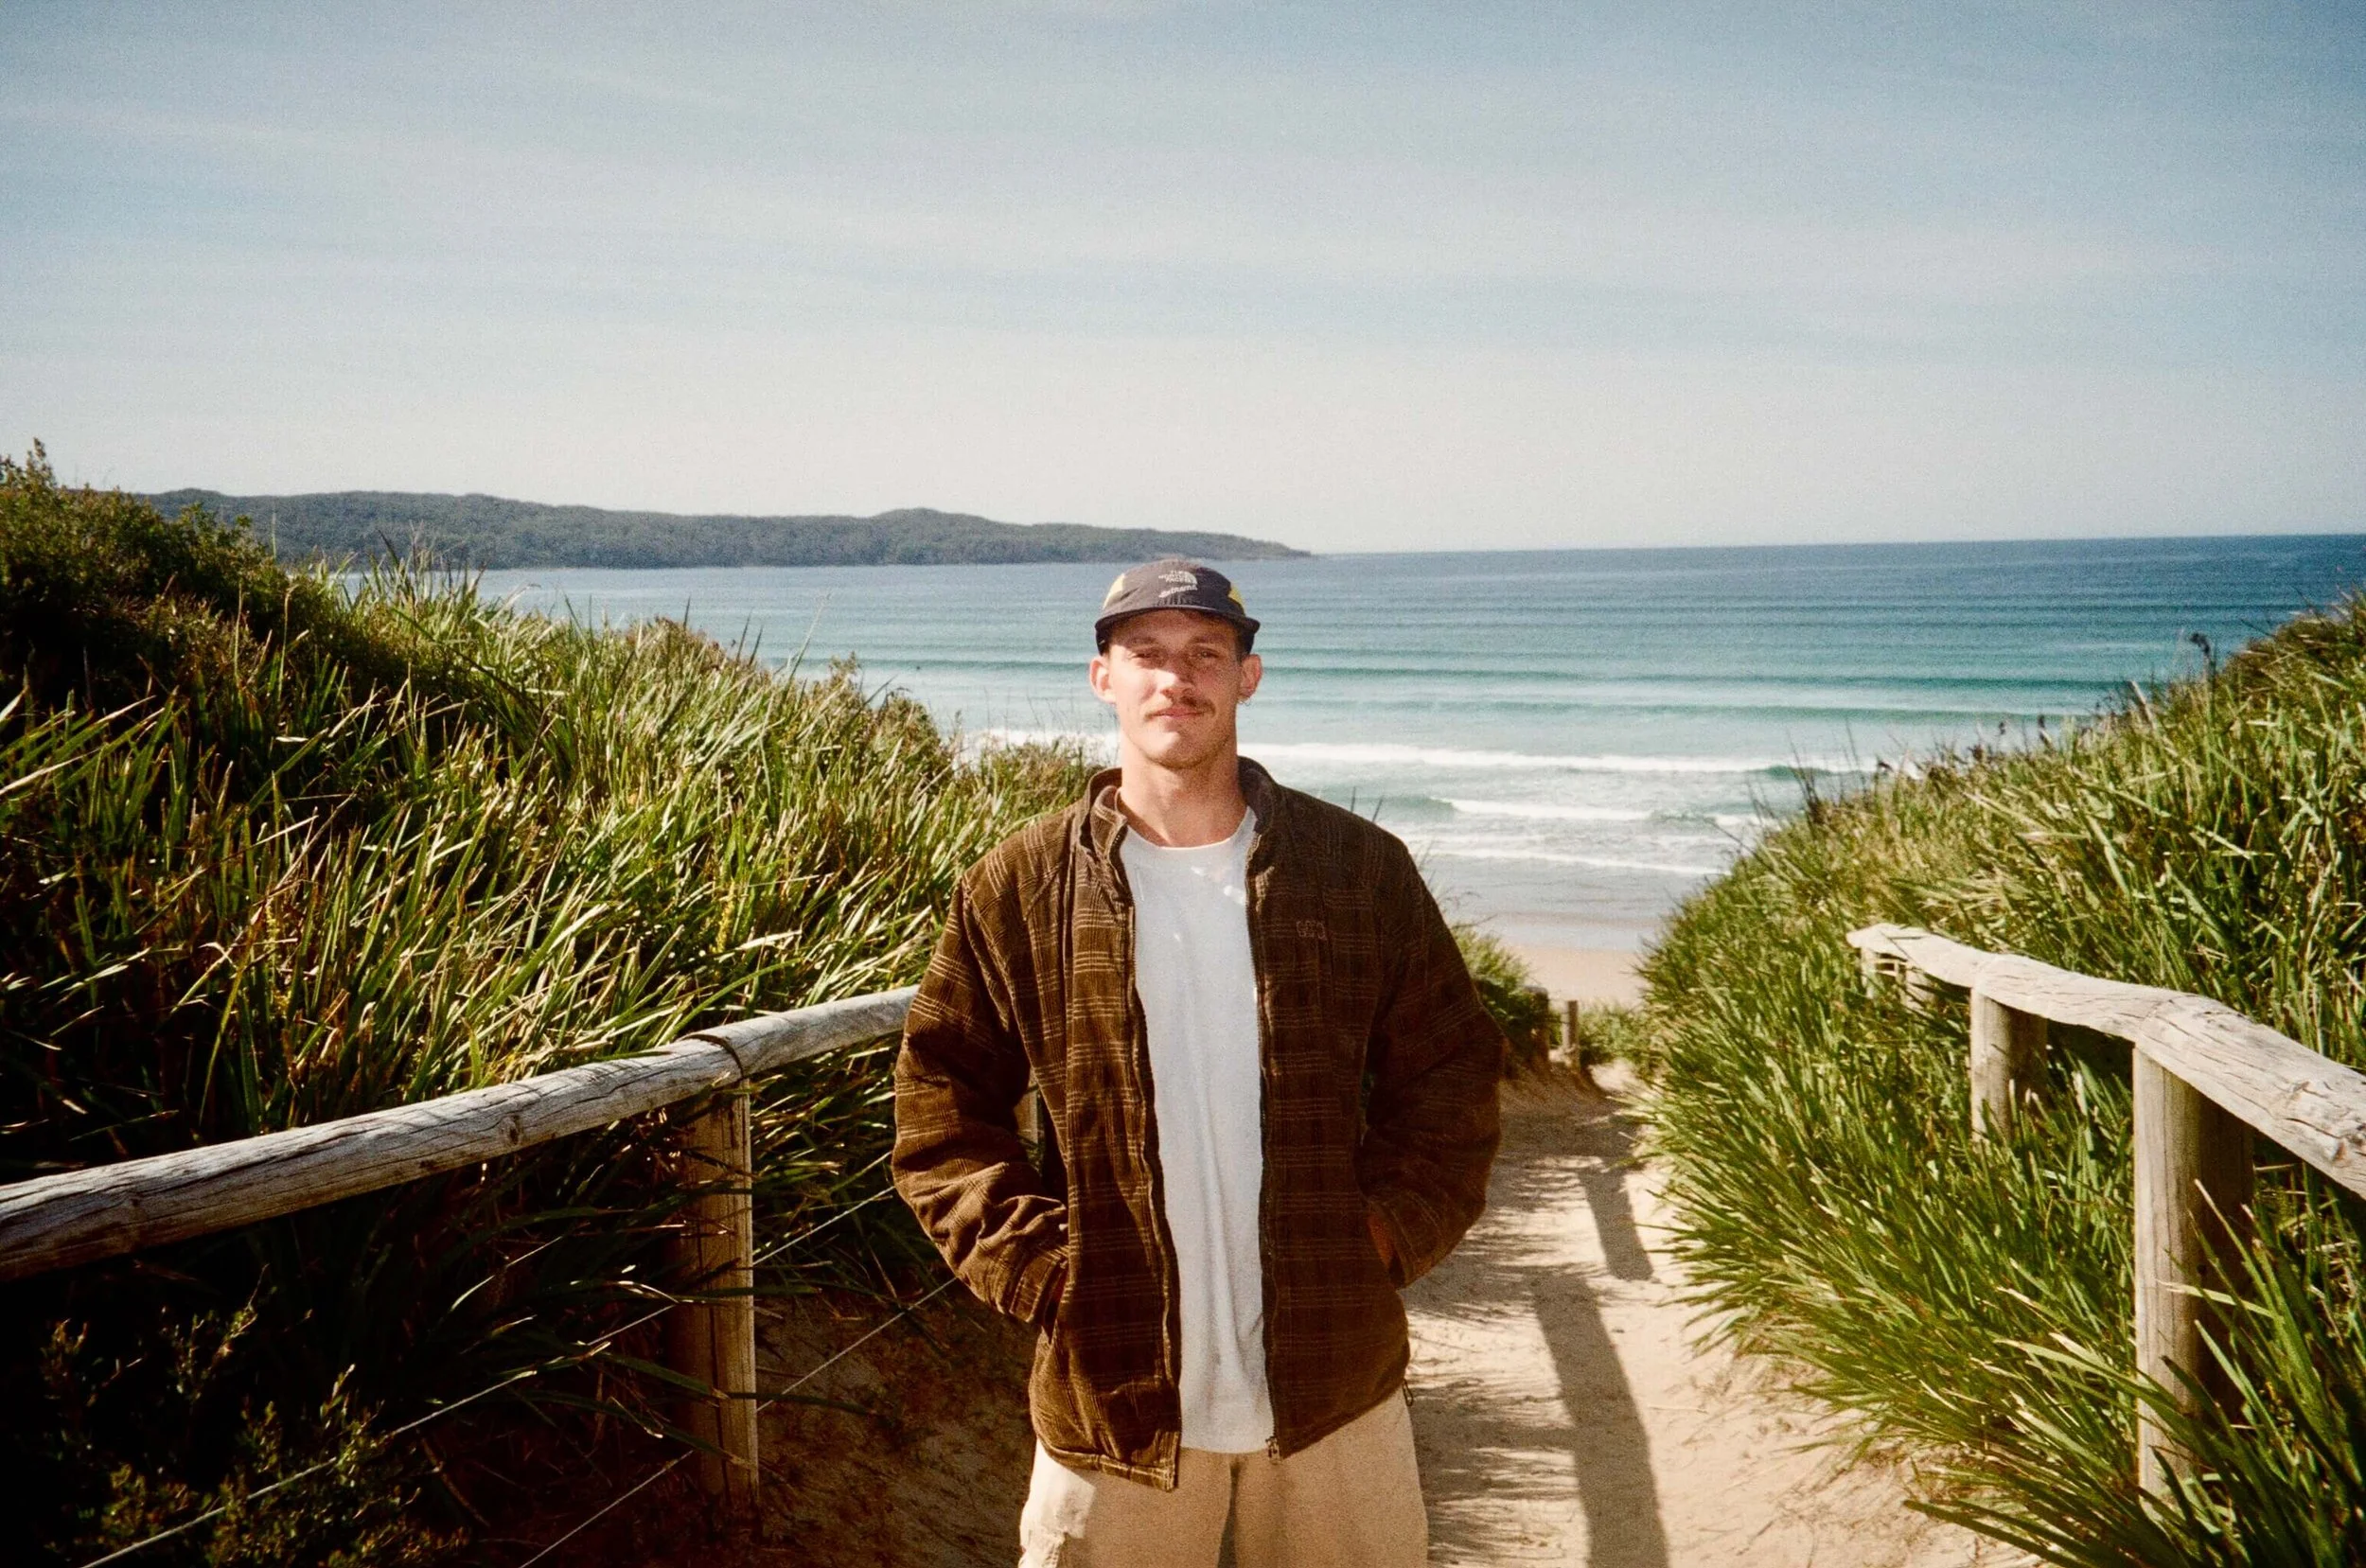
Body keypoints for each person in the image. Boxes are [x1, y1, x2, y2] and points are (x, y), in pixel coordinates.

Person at [892, 558, 1504, 1567]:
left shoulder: (1357, 871)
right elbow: (940, 1107)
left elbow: (1449, 1084)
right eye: (1147, 654)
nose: (1176, 678)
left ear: (1246, 677)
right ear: (1103, 679)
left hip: (1334, 1393)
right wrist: (1046, 1272)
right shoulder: (1021, 885)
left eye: (1204, 654)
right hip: (1111, 1401)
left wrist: (1383, 1234)